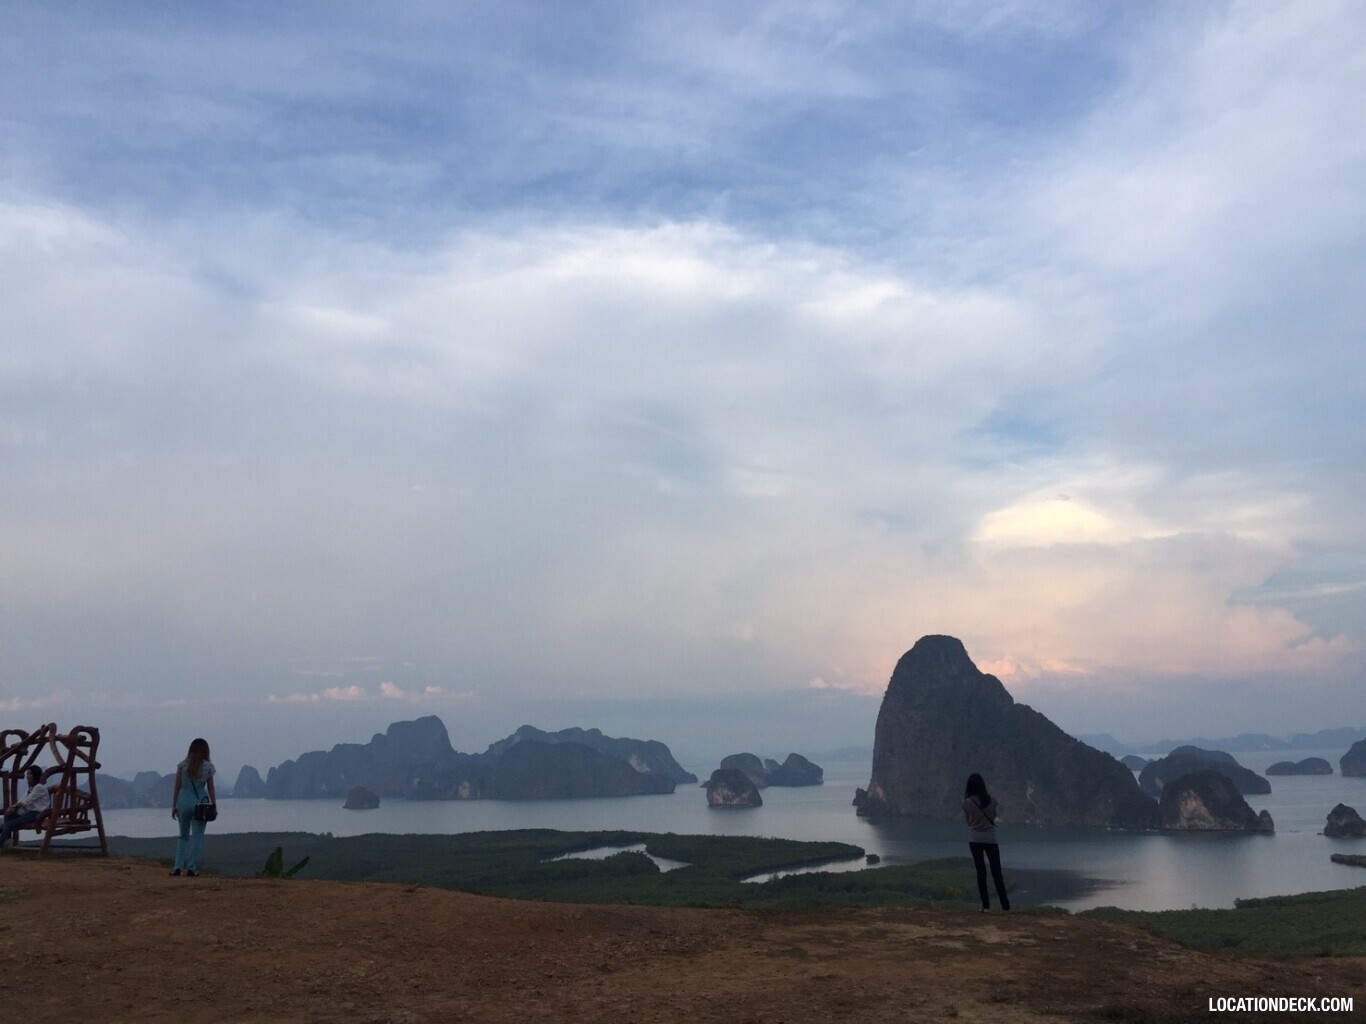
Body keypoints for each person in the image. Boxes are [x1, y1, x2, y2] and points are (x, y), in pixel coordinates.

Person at [963, 772, 1010, 912]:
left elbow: (968, 822)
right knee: (997, 873)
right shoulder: (992, 801)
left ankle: (986, 906)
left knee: (981, 873)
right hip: (991, 840)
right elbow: (993, 817)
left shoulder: (966, 803)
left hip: (975, 840)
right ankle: (1005, 907)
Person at [170, 738, 216, 876]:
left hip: (183, 801)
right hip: (200, 803)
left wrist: (174, 806)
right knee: (197, 836)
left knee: (182, 836)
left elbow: (177, 786)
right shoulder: (208, 767)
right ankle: (192, 868)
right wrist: (214, 804)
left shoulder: (182, 765)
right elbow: (211, 788)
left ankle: (177, 867)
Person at [0, 765, 52, 847]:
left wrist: (15, 806)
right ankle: (7, 840)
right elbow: (22, 799)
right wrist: (12, 808)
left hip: (37, 814)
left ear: (35, 775)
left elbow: (27, 801)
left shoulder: (39, 787)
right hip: (29, 813)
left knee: (8, 825)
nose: (27, 776)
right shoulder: (31, 788)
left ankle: (3, 843)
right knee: (8, 814)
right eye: (27, 774)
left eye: (30, 774)